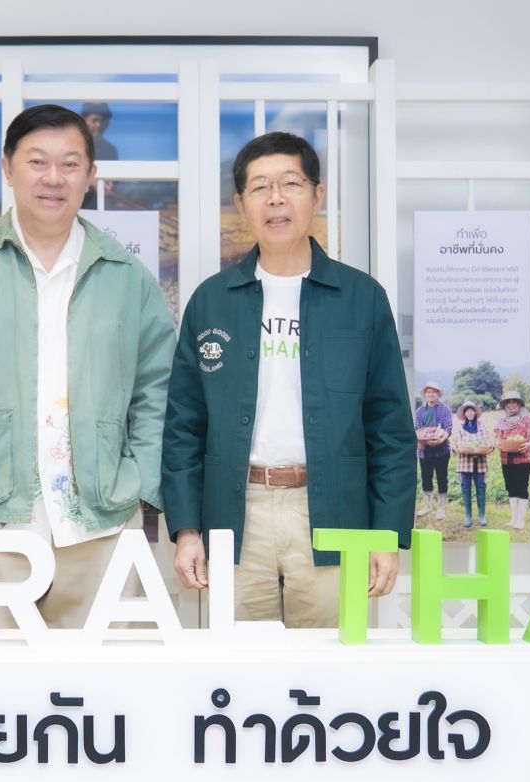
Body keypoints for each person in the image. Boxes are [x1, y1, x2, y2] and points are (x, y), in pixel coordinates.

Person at [0, 103, 174, 629]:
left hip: (101, 527)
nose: (53, 178)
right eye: (37, 161)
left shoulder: (126, 275)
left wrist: (139, 487)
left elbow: (157, 389)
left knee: (104, 678)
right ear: (7, 168)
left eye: (70, 164)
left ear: (91, 175)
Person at [162, 131, 414, 628]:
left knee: (331, 662)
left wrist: (386, 533)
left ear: (317, 195)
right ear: (241, 204)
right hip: (236, 514)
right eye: (259, 187)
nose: (275, 198)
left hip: (333, 509)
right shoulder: (212, 301)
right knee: (238, 664)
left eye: (290, 184)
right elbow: (184, 427)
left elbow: (389, 425)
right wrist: (187, 529)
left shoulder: (361, 298)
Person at [413, 381, 453, 522]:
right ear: (425, 394)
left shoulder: (445, 409)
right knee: (426, 477)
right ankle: (427, 506)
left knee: (442, 477)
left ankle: (441, 507)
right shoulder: (419, 412)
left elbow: (448, 428)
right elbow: (417, 429)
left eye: (434, 392)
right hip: (424, 451)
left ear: (438, 394)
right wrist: (423, 441)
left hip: (442, 450)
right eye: (428, 392)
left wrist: (440, 438)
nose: (431, 394)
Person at [494, 389, 530, 531]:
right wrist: (498, 443)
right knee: (510, 487)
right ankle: (513, 518)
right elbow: (498, 437)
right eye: (508, 403)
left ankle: (521, 519)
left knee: (521, 488)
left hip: (522, 458)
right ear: (505, 405)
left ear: (519, 404)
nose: (511, 405)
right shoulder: (501, 420)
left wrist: (529, 444)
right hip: (506, 458)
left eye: (514, 402)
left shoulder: (527, 418)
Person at [450, 400, 493, 528]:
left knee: (481, 486)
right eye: (467, 411)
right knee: (465, 486)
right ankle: (468, 516)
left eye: (471, 410)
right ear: (464, 413)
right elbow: (455, 443)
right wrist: (456, 448)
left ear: (475, 412)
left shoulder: (481, 426)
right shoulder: (460, 427)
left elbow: (487, 440)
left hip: (480, 460)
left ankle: (482, 515)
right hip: (465, 461)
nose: (469, 413)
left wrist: (489, 446)